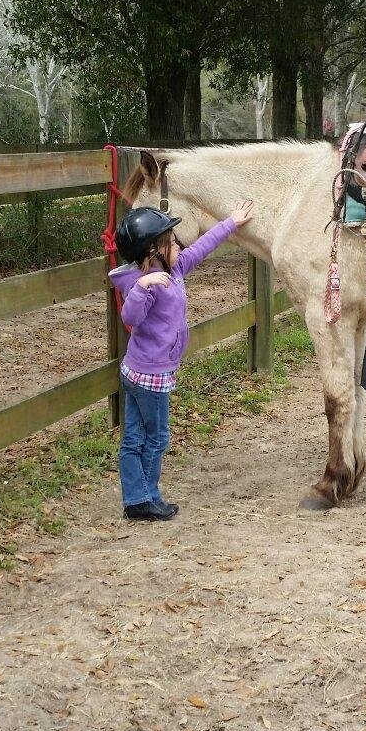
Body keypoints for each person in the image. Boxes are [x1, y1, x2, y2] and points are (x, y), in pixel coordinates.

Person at [109, 200, 255, 521]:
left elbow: (202, 247)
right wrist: (143, 286)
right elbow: (130, 316)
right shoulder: (145, 283)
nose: (179, 245)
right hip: (150, 376)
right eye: (171, 242)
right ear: (153, 251)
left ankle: (136, 498)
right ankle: (147, 498)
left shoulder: (173, 269)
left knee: (134, 436)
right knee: (156, 437)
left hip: (139, 371)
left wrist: (231, 222)